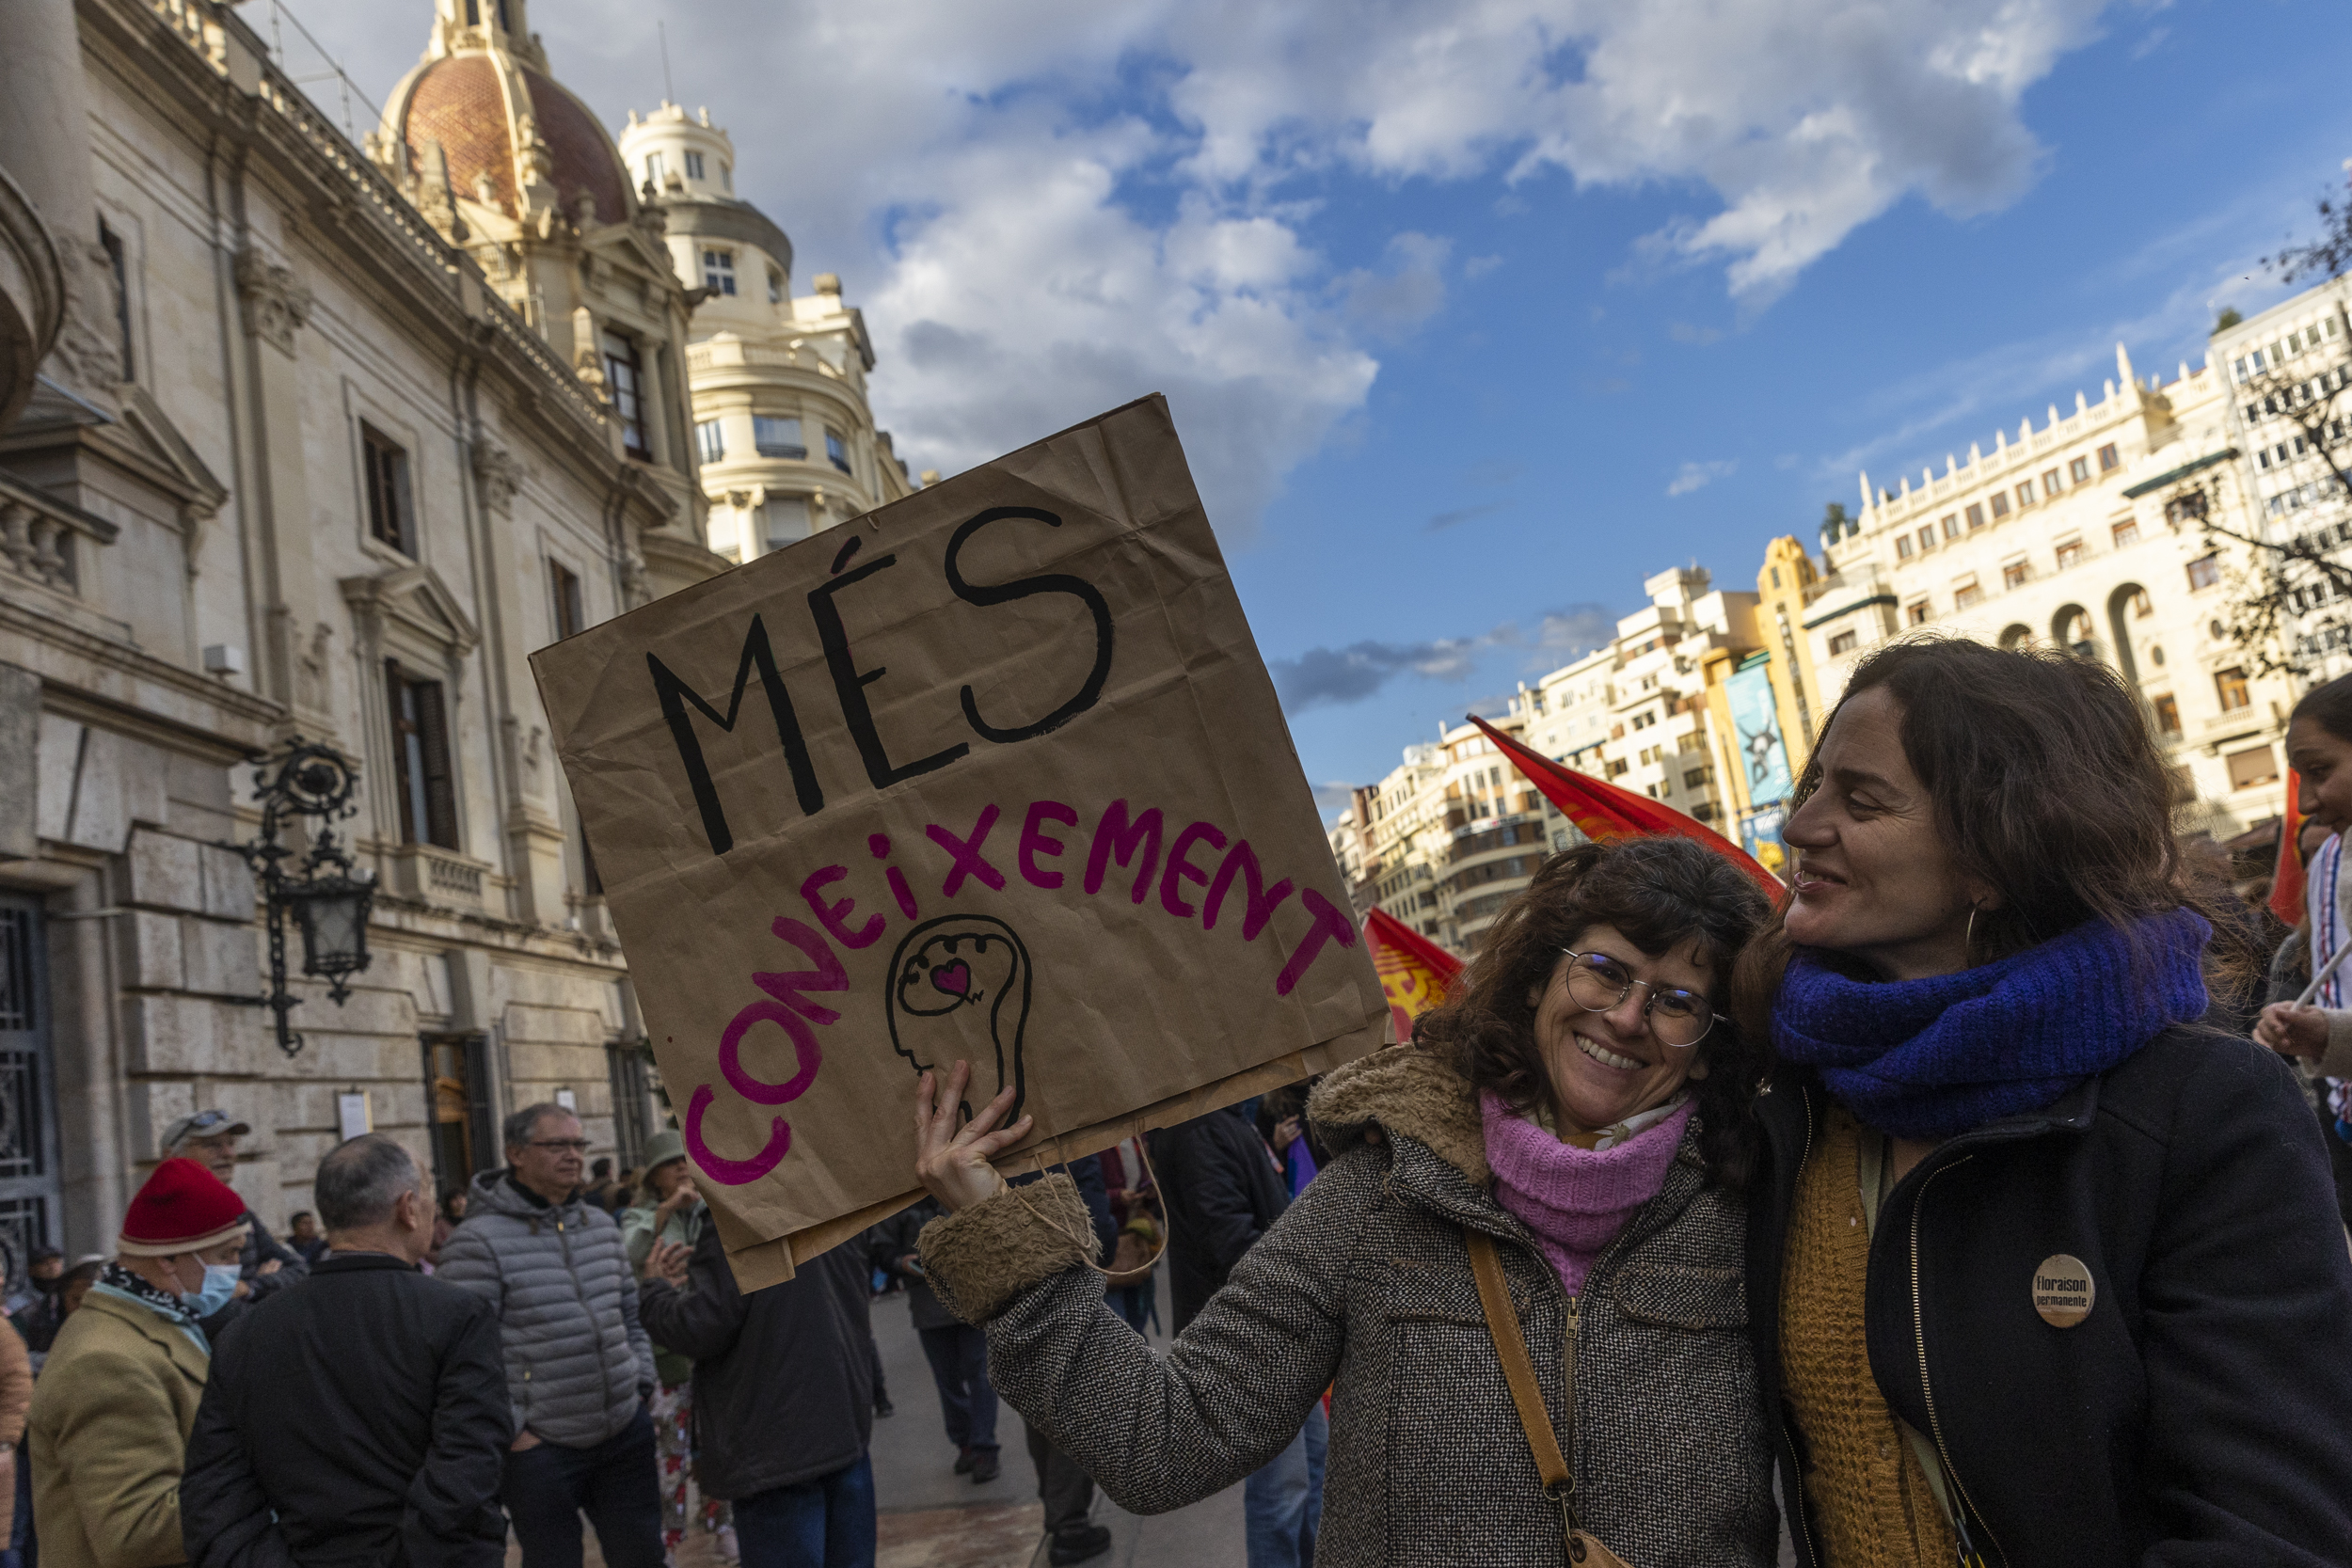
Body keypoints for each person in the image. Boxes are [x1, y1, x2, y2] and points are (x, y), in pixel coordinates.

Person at [910, 834, 1780, 1564]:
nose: (1627, 1017)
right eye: (1603, 971)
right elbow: (1162, 1439)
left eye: (1675, 1002)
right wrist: (1005, 1239)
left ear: (1708, 1047)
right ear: (1538, 983)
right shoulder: (1377, 1198)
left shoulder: (1754, 1215)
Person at [1739, 637, 2352, 1563]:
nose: (1798, 827)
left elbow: (2269, 1521)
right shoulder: (1787, 1089)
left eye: (1861, 800)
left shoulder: (2208, 1106)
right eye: (1811, 788)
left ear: (1997, 852)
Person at [181, 1134, 511, 1568]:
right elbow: (468, 1473)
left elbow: (215, 1499)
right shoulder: (457, 1316)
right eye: (429, 1194)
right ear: (408, 1208)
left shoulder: (245, 1334)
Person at [437, 1105, 660, 1568]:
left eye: (579, 1145)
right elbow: (464, 1355)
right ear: (516, 1154)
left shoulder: (601, 1226)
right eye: (557, 1145)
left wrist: (640, 1382)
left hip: (622, 1429)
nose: (573, 1156)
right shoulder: (477, 1241)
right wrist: (517, 1429)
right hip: (541, 1449)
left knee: (643, 1556)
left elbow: (629, 1313)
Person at [28, 1157, 248, 1568]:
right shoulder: (104, 1361)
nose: (234, 1270)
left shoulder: (156, 1323)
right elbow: (138, 1533)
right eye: (227, 1253)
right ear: (168, 1259)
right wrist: (274, 1478)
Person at [638, 1217, 888, 1568]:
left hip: (774, 1445)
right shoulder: (829, 1198)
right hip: (841, 1425)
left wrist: (655, 1293)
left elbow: (701, 1325)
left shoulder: (741, 1218)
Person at [1147, 1104, 1320, 1567]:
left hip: (1272, 1334)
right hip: (1248, 1341)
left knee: (1314, 1474)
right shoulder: (1197, 1127)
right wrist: (1300, 1288)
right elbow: (1229, 1240)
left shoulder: (1219, 1119)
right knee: (1281, 1492)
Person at [619, 1131, 735, 1565]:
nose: (683, 1169)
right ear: (654, 1178)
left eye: (686, 1161)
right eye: (672, 1164)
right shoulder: (639, 1216)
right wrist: (666, 1212)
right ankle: (668, 1543)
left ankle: (722, 1528)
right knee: (669, 1460)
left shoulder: (707, 1211)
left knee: (714, 1452)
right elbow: (630, 1251)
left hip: (705, 1350)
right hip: (663, 1357)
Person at [876, 1199, 1001, 1483]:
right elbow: (882, 1250)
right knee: (948, 1380)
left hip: (973, 1298)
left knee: (981, 1373)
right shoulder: (897, 1201)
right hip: (928, 1305)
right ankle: (966, 1443)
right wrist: (902, 1263)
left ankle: (984, 1447)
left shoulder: (954, 1179)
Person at [156, 1111, 306, 1343]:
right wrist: (266, 1298)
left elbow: (298, 1269)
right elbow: (203, 1309)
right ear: (171, 1157)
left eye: (230, 1144)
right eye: (212, 1146)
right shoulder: (163, 1220)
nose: (228, 1154)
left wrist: (249, 1288)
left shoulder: (239, 1212)